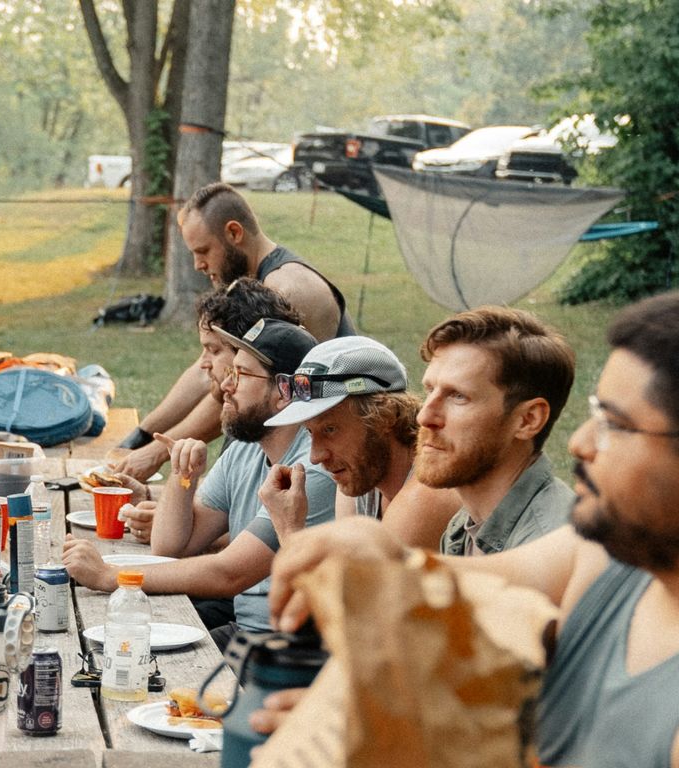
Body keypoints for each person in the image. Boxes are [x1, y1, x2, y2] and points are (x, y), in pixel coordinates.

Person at [262, 286, 679, 767]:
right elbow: (465, 581)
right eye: (592, 414)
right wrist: (370, 554)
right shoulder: (607, 552)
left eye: (617, 426)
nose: (581, 443)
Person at [64, 316, 337, 647]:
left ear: (283, 392)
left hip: (283, 647)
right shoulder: (246, 450)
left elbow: (229, 574)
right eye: (231, 371)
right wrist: (183, 478)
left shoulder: (312, 467)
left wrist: (110, 576)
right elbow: (171, 547)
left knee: (123, 651)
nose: (225, 385)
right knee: (105, 641)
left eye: (242, 375)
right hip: (247, 628)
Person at [113, 182, 355, 482]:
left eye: (203, 251)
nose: (198, 265)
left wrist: (157, 452)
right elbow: (207, 373)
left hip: (318, 459)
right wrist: (141, 435)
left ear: (234, 233)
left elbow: (242, 387)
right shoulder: (247, 287)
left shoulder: (285, 289)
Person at [259, 335, 461, 549]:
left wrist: (289, 529)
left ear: (385, 416)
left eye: (330, 429)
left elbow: (352, 583)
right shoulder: (361, 475)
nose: (316, 456)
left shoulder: (424, 497)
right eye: (310, 432)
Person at [417, 306, 576, 556]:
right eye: (430, 390)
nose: (424, 416)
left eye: (458, 396)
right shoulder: (464, 526)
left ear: (527, 420)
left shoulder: (549, 548)